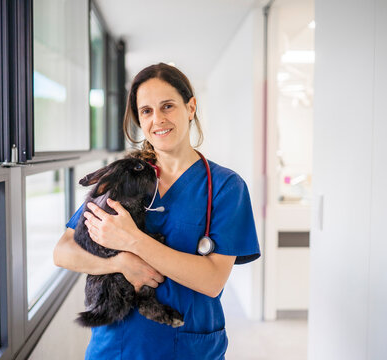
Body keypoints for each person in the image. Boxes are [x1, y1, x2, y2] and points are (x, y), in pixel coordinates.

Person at [53, 63, 260, 359]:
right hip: (115, 347)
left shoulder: (227, 187)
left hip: (188, 348)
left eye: (168, 106)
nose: (158, 119)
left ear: (191, 108)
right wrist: (122, 263)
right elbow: (63, 251)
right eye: (147, 111)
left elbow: (212, 281)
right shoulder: (123, 177)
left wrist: (134, 241)